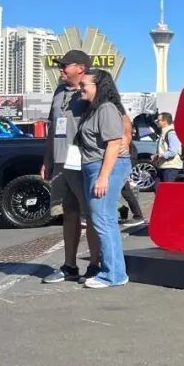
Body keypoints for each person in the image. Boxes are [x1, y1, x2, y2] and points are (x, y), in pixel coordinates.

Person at [41, 50, 101, 284]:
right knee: (69, 213)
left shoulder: (92, 90)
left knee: (92, 214)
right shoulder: (59, 92)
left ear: (81, 68)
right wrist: (47, 159)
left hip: (83, 162)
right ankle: (69, 266)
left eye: (65, 65)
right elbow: (52, 127)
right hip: (60, 162)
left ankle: (95, 264)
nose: (61, 70)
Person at [75, 69, 133, 289]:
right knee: (103, 219)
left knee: (103, 219)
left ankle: (114, 274)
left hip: (105, 167)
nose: (80, 88)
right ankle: (113, 271)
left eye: (84, 85)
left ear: (98, 86)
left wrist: (103, 177)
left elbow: (113, 143)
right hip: (94, 167)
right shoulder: (94, 109)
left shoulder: (106, 108)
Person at [153, 112, 182, 182]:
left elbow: (173, 151)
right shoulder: (163, 132)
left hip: (171, 167)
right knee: (158, 187)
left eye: (158, 120)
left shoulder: (171, 133)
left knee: (167, 188)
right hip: (163, 166)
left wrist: (160, 155)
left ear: (165, 121)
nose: (157, 122)